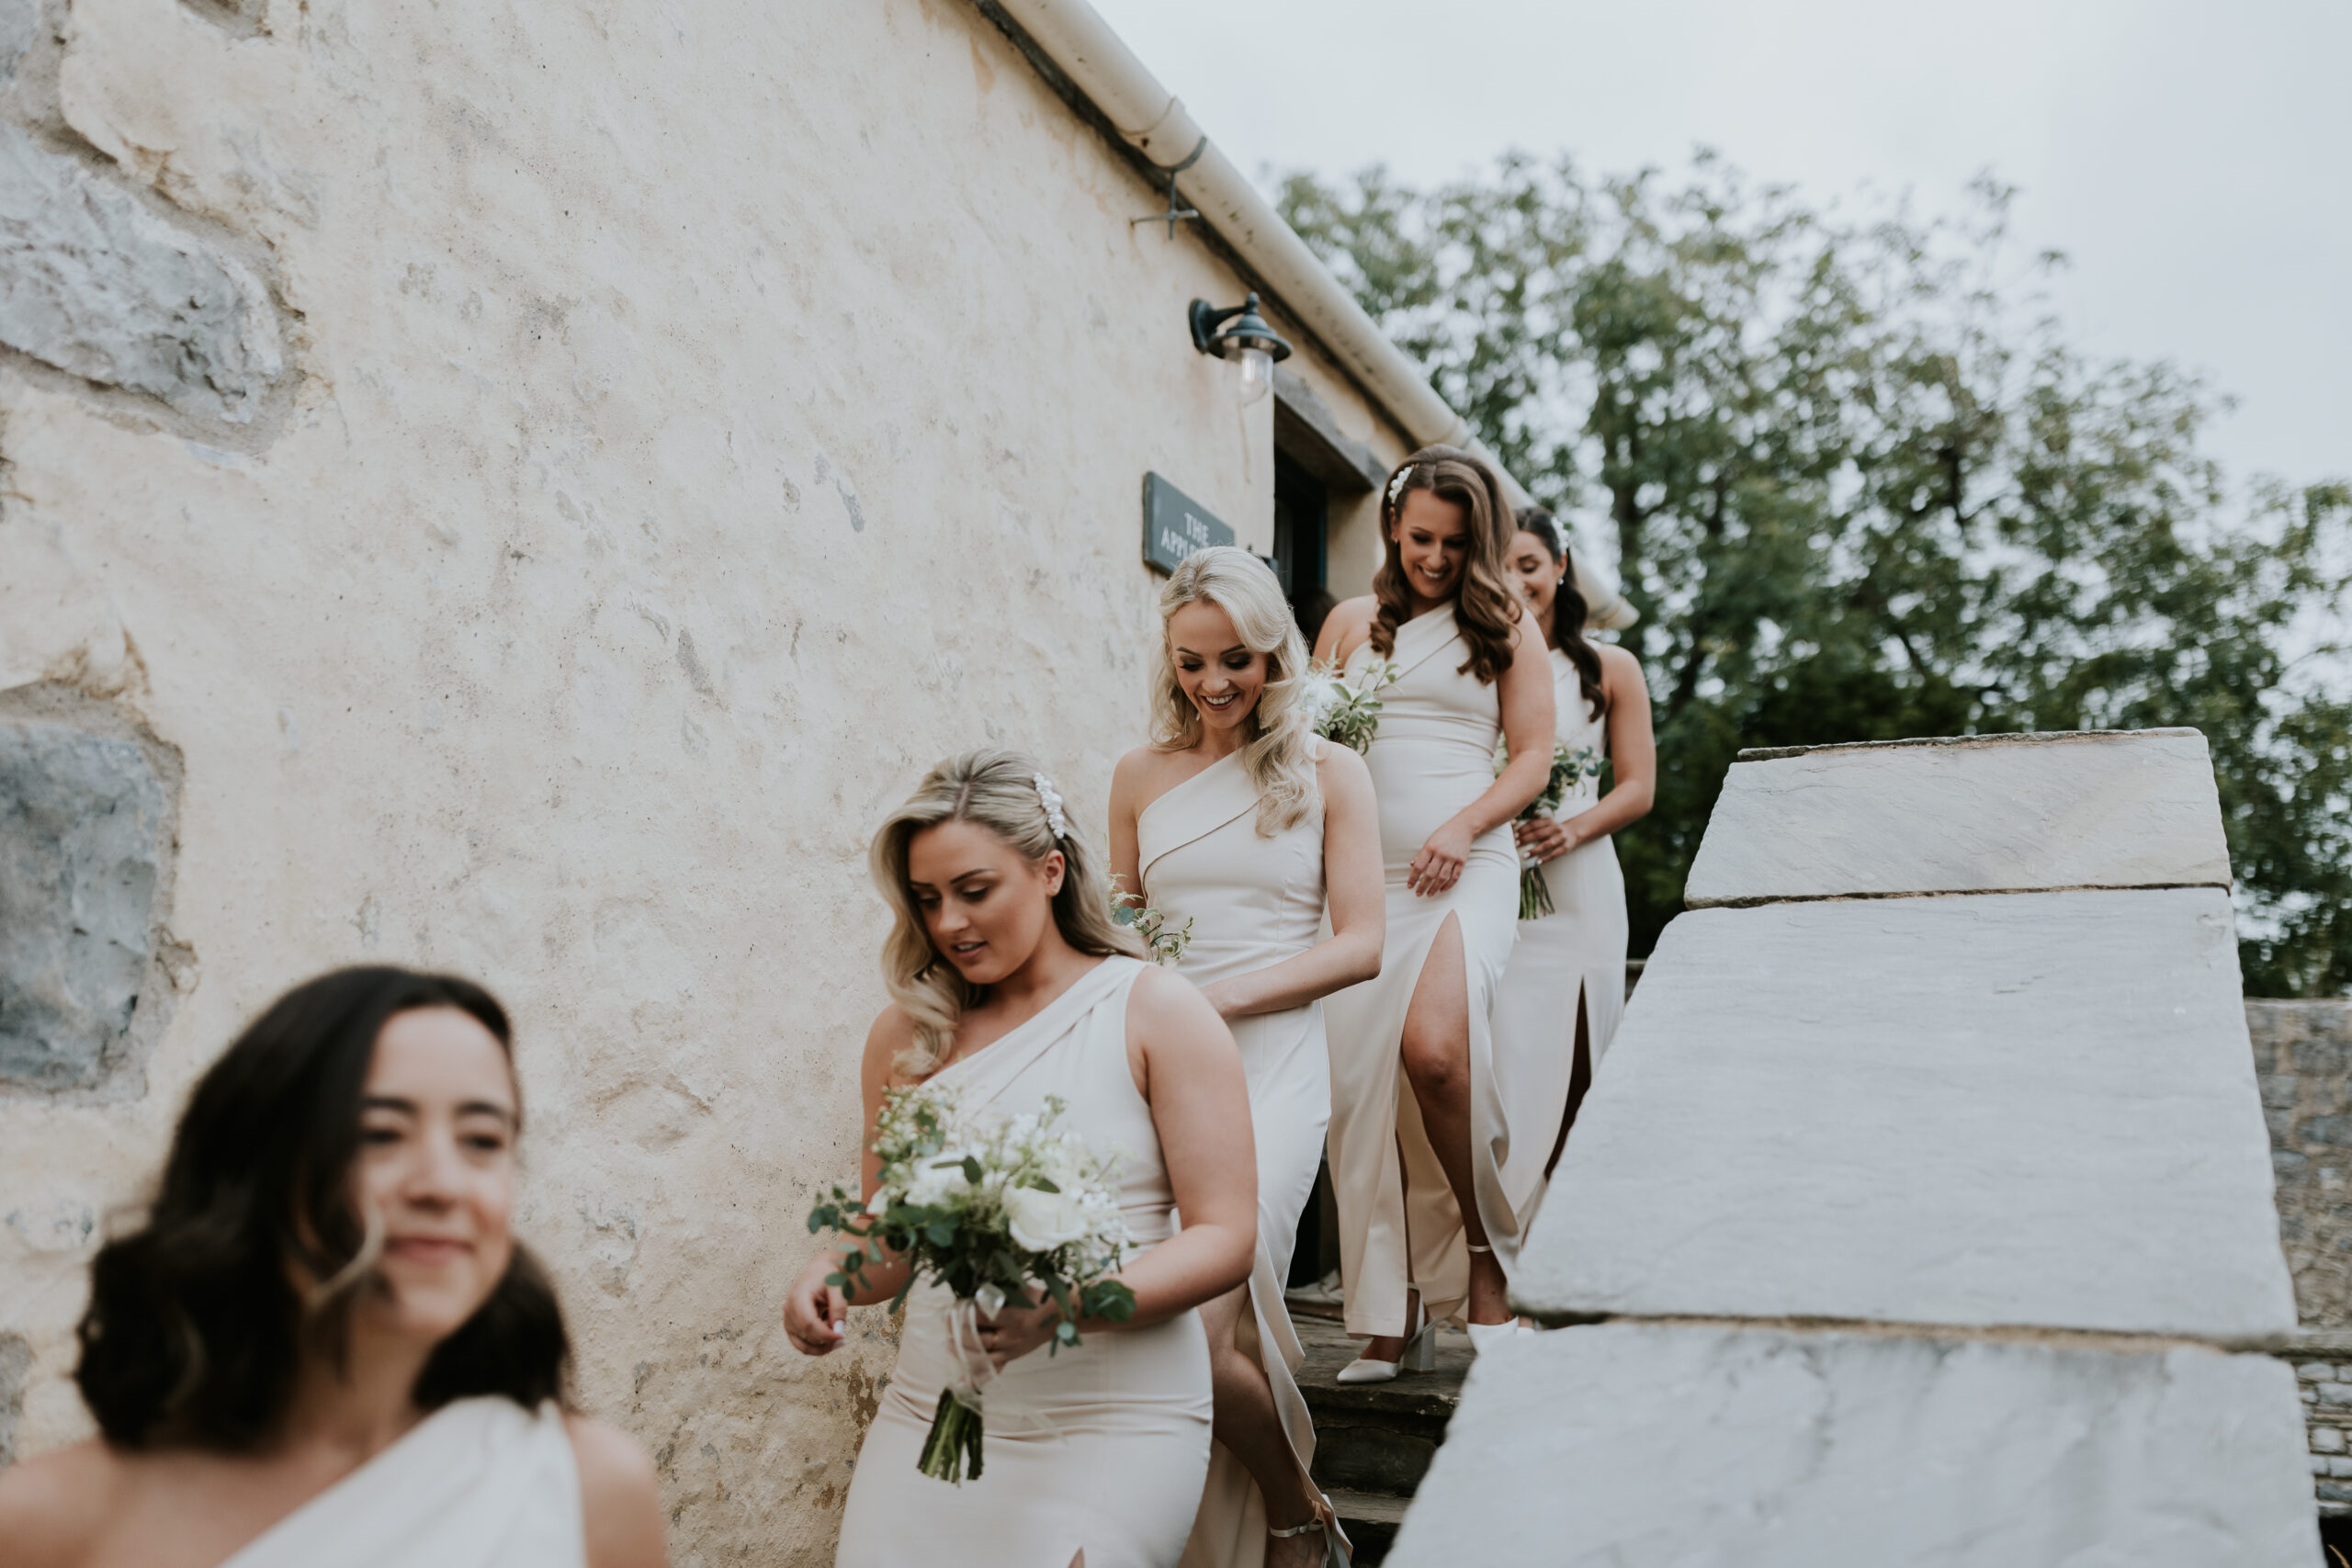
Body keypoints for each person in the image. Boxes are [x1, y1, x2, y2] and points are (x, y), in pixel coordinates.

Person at [0, 967, 667, 1568]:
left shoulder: (589, 1491)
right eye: (379, 1134)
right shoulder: (48, 1524)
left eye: (483, 1140)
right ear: (253, 1173)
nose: (442, 1184)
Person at [786, 750, 1259, 1568]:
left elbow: (1225, 1236)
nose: (951, 924)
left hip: (1115, 1414)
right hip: (935, 1410)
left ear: (1050, 869)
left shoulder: (1154, 1012)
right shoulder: (906, 1037)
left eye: (975, 890)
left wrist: (1066, 1304)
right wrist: (830, 1273)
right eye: (928, 900)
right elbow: (889, 1244)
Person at [1107, 547, 1383, 1568]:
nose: (1216, 684)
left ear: (1273, 653)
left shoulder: (1329, 771)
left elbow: (1361, 944)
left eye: (1238, 660)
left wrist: (1207, 1000)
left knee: (1198, 1324)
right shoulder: (1136, 776)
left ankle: (1290, 1508)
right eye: (1191, 663)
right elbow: (1119, 917)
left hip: (1270, 1067)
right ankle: (1222, 1519)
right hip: (1154, 1077)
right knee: (1159, 1320)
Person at [1309, 446, 1555, 1379]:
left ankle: (1490, 1264)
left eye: (1456, 543)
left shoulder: (1504, 626)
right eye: (1421, 539)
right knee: (1366, 1092)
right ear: (1391, 526)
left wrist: (1460, 825)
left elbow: (1531, 758)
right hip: (1366, 880)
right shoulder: (1346, 625)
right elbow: (1309, 749)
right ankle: (1391, 1307)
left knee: (1437, 1056)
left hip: (1467, 862)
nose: (1436, 558)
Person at [1491, 507, 1655, 1230]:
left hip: (1580, 890)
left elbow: (1638, 786)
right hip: (1499, 891)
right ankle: (1501, 1236)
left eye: (1528, 563)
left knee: (1579, 1066)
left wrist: (1571, 829)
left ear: (1561, 566)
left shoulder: (1609, 668)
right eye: (1501, 565)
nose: (1515, 579)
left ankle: (1559, 1244)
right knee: (1504, 1064)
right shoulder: (1481, 665)